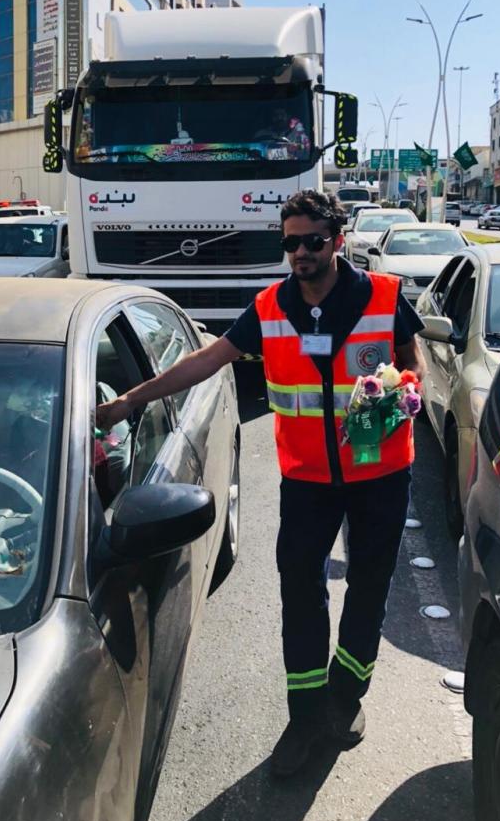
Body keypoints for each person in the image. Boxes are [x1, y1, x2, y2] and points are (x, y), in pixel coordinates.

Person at [96, 189, 425, 778]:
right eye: (290, 242)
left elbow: (411, 359)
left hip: (380, 475)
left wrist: (405, 392)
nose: (300, 252)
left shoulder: (382, 296)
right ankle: (305, 717)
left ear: (337, 241)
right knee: (299, 591)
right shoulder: (270, 307)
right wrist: (130, 400)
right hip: (307, 481)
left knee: (370, 587)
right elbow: (206, 359)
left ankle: (345, 696)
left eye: (312, 241)